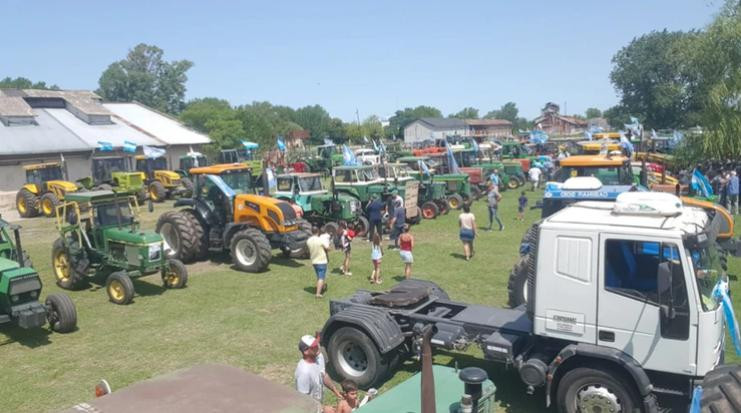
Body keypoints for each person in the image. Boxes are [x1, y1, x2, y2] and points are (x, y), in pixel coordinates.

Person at [295, 334, 342, 413]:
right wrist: (323, 409)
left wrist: (335, 391)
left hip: (317, 406)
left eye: (317, 344)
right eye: (314, 346)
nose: (318, 347)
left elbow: (324, 375)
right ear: (306, 351)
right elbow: (304, 400)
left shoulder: (319, 357)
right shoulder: (304, 373)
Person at [307, 226, 330, 298]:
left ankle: (322, 286)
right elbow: (328, 248)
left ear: (311, 231)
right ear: (318, 232)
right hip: (322, 261)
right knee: (321, 277)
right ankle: (318, 293)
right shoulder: (320, 240)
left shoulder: (308, 240)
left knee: (319, 276)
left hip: (314, 261)